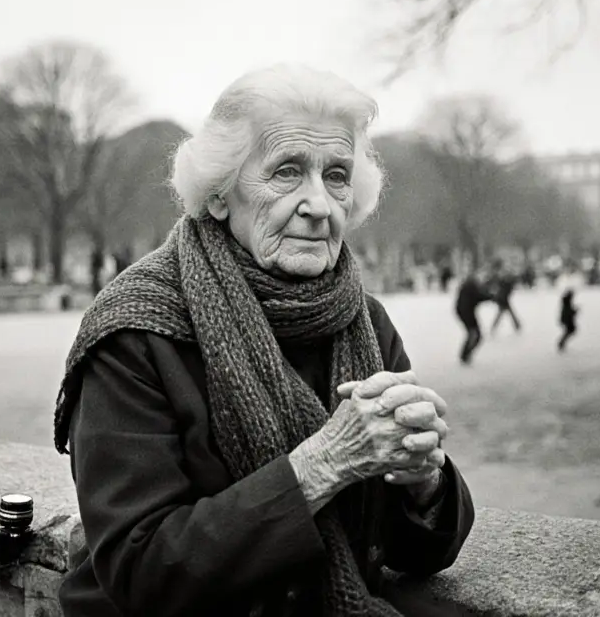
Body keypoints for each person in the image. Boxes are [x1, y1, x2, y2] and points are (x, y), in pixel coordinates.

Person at [54, 65, 475, 617]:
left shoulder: (364, 318)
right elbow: (142, 569)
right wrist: (324, 464)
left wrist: (425, 481)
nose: (319, 204)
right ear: (221, 194)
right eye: (287, 172)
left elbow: (413, 551)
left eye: (337, 175)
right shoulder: (136, 329)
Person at [455, 265, 488, 364]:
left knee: (474, 334)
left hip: (465, 311)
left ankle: (465, 355)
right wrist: (491, 296)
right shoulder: (472, 284)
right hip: (466, 312)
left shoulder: (470, 283)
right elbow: (479, 296)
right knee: (475, 334)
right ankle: (464, 355)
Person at [489, 260, 521, 335]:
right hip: (503, 296)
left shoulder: (500, 274)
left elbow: (507, 284)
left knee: (502, 312)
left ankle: (517, 325)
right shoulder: (500, 274)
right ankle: (517, 325)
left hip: (503, 296)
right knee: (506, 311)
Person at [557, 288, 578, 353]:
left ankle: (561, 343)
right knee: (571, 330)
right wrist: (574, 311)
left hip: (567, 319)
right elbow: (568, 312)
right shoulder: (567, 302)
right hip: (567, 320)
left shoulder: (567, 301)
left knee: (570, 331)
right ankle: (561, 343)